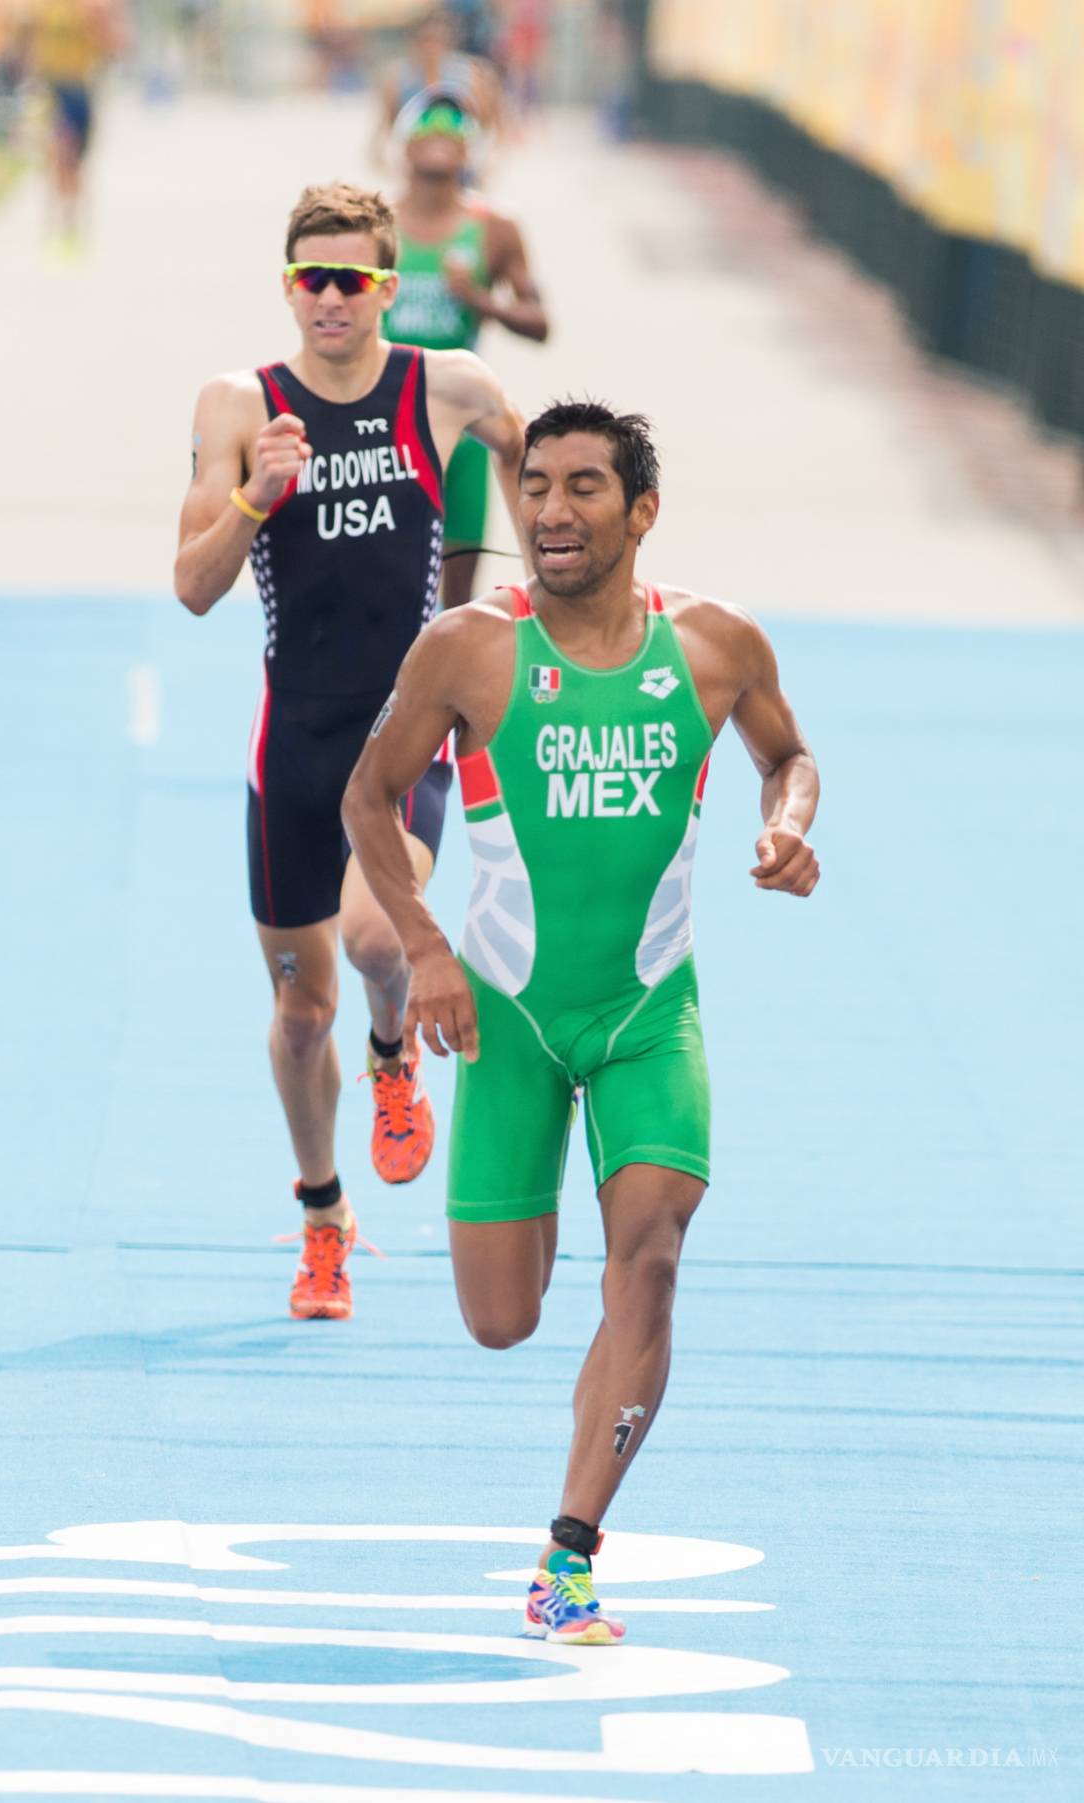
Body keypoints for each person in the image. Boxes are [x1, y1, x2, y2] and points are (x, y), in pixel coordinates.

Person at [343, 399, 820, 1641]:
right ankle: (541, 1237)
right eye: (535, 486)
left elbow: (788, 755)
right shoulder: (467, 650)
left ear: (640, 512)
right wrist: (430, 949)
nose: (550, 512)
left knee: (650, 1261)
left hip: (650, 1017)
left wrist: (788, 824)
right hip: (502, 1024)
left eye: (582, 489)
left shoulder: (717, 645)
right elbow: (370, 797)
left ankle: (569, 1558)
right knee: (504, 1321)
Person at [174, 182, 525, 1324]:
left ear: (388, 290)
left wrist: (553, 603)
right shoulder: (241, 405)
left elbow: (544, 465)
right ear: (289, 284)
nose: (332, 300)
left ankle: (394, 1056)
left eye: (355, 281)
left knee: (382, 933)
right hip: (296, 740)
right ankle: (325, 1217)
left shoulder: (444, 388)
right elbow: (192, 587)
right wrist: (255, 500)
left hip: (403, 728)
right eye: (312, 279)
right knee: (297, 1013)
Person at [385, 89, 548, 608]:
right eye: (427, 133)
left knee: (456, 600)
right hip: (386, 419)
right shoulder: (373, 224)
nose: (439, 142)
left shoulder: (495, 229)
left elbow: (540, 322)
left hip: (463, 423)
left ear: (469, 150)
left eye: (452, 135)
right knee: (386, 581)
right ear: (404, 145)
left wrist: (479, 299)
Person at [23, 0, 123, 245]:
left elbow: (114, 49)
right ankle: (56, 224)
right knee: (59, 156)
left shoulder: (93, 7)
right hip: (52, 91)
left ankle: (72, 224)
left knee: (76, 164)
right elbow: (26, 40)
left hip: (80, 89)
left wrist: (101, 24)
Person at [374, 7, 503, 159]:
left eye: (438, 40)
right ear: (415, 42)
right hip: (418, 159)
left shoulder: (468, 76)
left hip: (458, 158)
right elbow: (388, 128)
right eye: (427, 39)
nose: (432, 47)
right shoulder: (399, 79)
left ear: (449, 43)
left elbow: (489, 124)